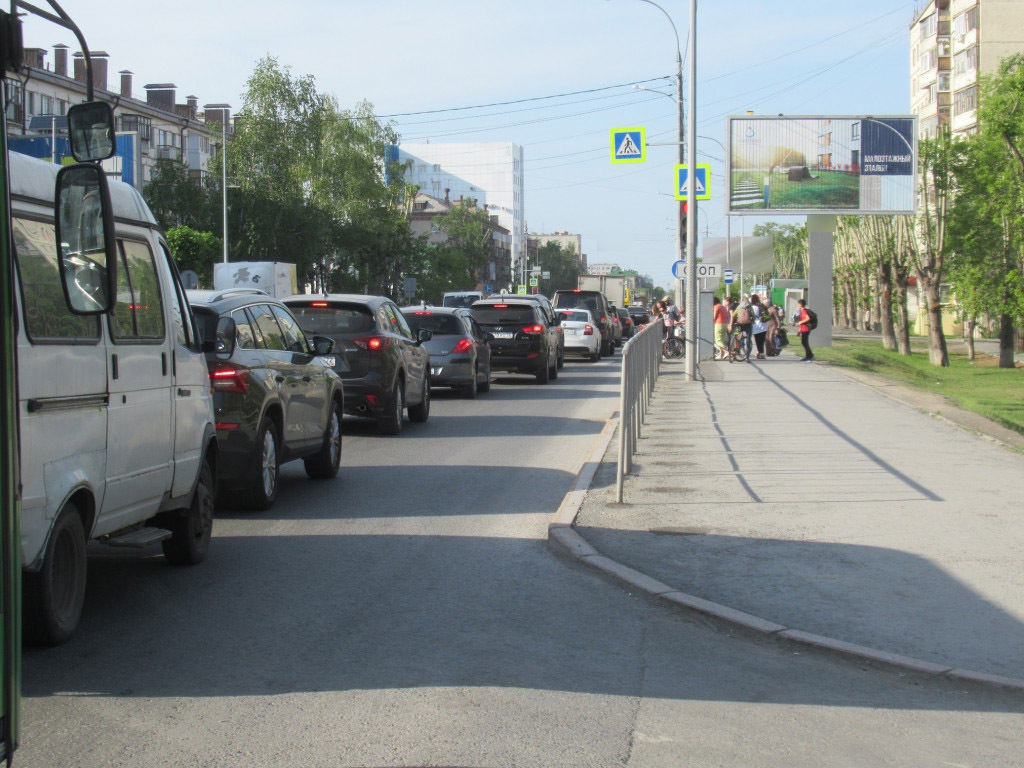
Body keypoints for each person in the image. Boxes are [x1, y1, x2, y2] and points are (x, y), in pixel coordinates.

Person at [730, 296, 753, 361]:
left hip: (739, 325)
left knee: (736, 335)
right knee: (748, 340)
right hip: (748, 325)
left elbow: (733, 315)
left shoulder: (739, 307)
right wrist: (752, 321)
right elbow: (753, 316)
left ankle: (735, 348)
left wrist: (732, 324)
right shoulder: (750, 307)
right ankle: (747, 357)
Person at [749, 294, 768, 359]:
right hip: (764, 324)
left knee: (757, 340)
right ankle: (761, 352)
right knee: (762, 340)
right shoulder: (762, 305)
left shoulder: (753, 307)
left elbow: (752, 316)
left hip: (756, 324)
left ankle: (761, 353)